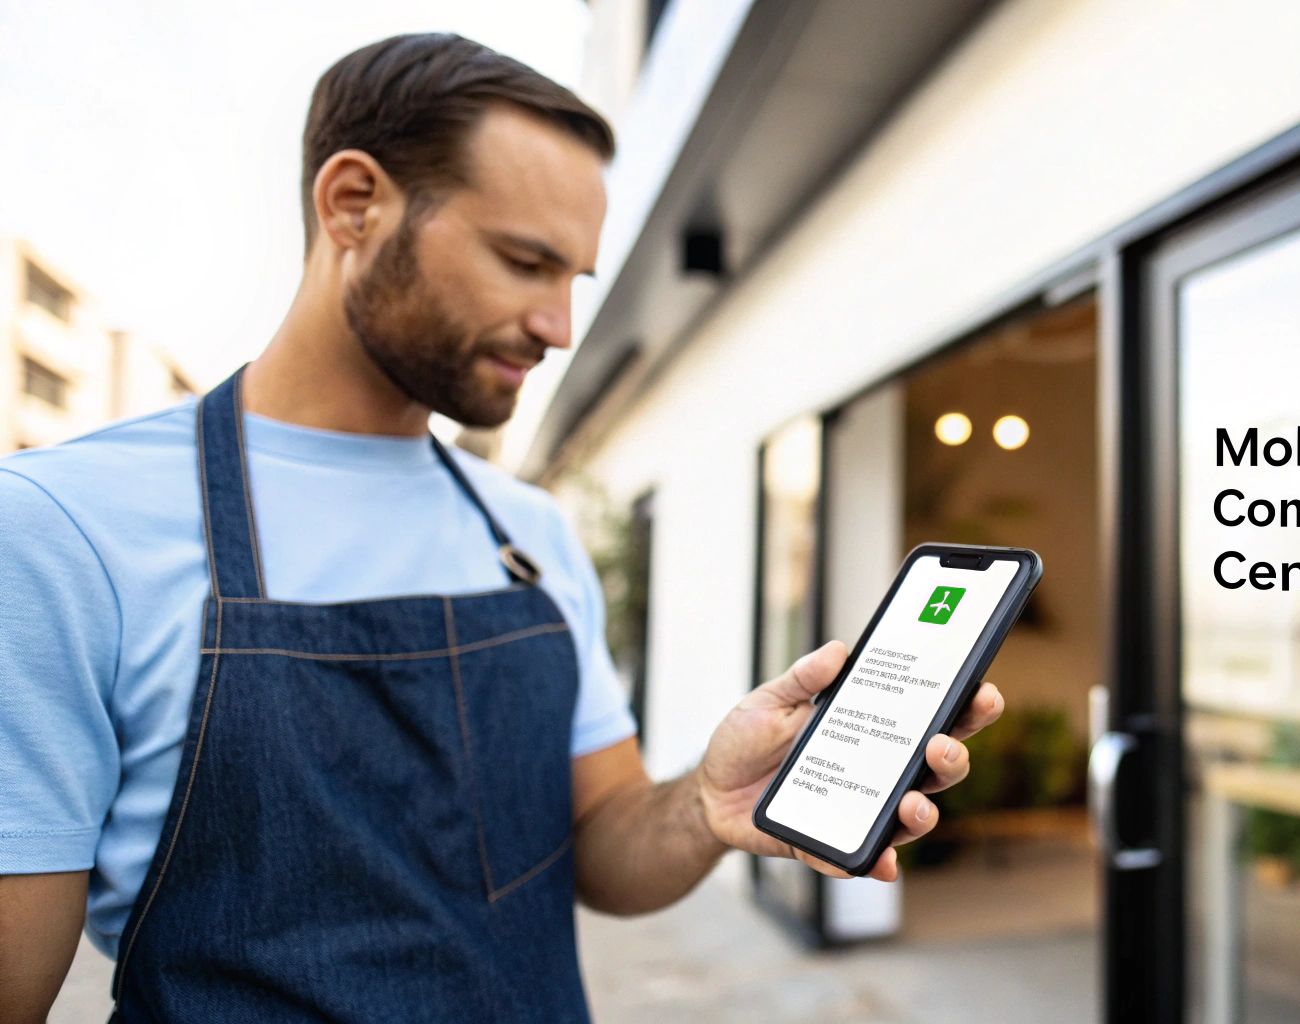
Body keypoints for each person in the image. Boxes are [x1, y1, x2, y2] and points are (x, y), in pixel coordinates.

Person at [0, 33, 1002, 1022]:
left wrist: (705, 802)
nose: (558, 326)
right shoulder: (67, 531)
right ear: (354, 203)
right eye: (525, 261)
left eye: (575, 279)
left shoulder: (528, 534)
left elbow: (604, 846)